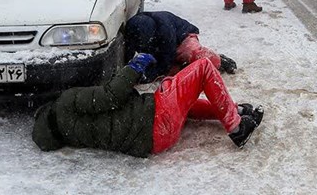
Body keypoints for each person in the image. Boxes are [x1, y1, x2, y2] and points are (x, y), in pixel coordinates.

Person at [32, 53, 264, 157]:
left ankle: (238, 111)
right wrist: (134, 66)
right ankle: (237, 128)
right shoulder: (66, 101)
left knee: (178, 96)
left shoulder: (67, 132)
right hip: (153, 116)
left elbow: (109, 113)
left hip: (154, 140)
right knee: (202, 68)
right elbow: (111, 95)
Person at [124, 11, 237, 83]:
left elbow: (167, 57)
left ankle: (219, 60)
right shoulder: (132, 29)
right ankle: (183, 66)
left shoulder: (165, 30)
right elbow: (129, 51)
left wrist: (150, 75)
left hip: (182, 38)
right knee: (170, 76)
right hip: (161, 48)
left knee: (193, 54)